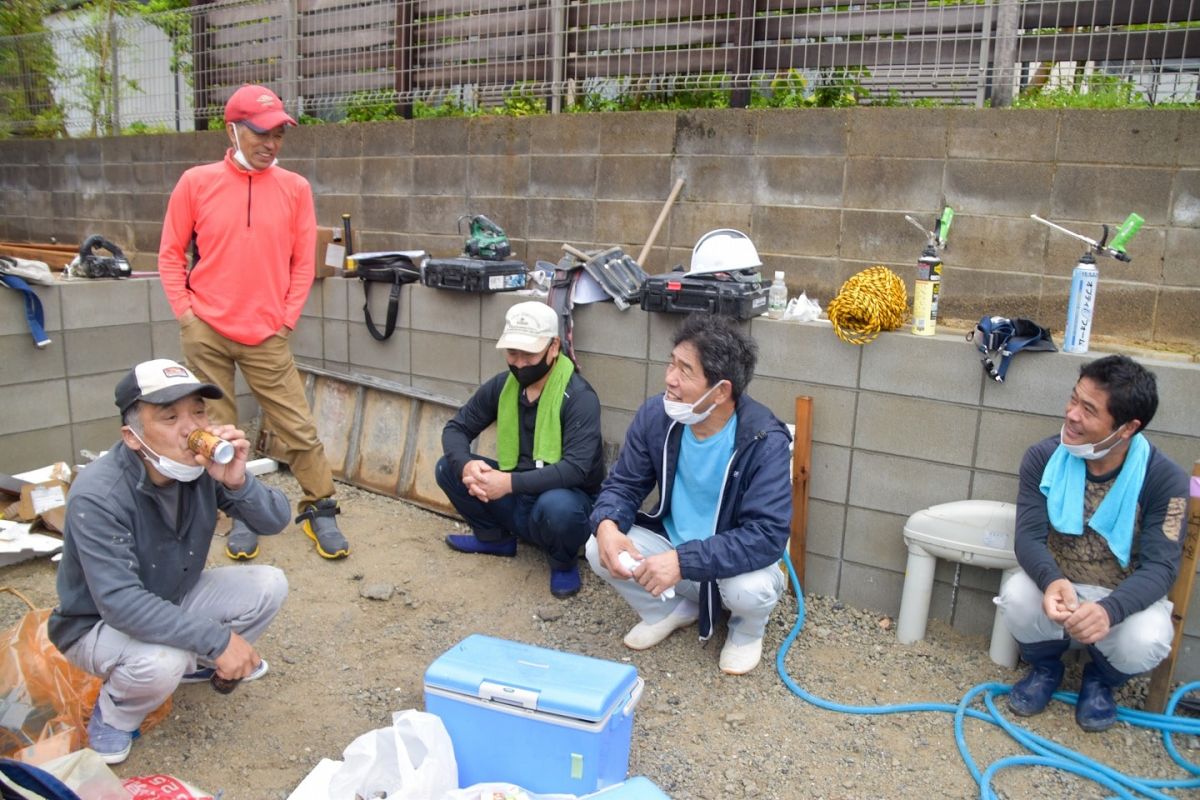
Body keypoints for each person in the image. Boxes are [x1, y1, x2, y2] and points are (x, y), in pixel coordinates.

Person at [48, 359, 290, 764]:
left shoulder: (200, 470)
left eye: (198, 411)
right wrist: (218, 640)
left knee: (270, 584)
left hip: (171, 593)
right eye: (170, 416)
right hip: (95, 623)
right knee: (163, 660)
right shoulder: (99, 494)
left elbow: (275, 520)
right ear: (132, 436)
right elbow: (122, 604)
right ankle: (115, 715)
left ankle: (193, 666)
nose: (191, 428)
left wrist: (237, 480)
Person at [157, 83, 349, 561]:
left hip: (267, 332)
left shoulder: (294, 188)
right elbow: (169, 254)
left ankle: (319, 506)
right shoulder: (195, 182)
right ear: (232, 129)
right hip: (206, 328)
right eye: (260, 132)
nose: (271, 143)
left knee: (297, 426)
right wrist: (185, 313)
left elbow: (304, 262)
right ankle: (240, 514)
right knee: (217, 431)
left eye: (279, 134)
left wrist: (285, 320)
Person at [586, 311, 792, 675]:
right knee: (597, 546)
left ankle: (745, 633)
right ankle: (670, 610)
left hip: (727, 565)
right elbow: (623, 484)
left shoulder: (764, 441)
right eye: (671, 363)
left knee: (751, 589)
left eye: (685, 371)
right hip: (674, 550)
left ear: (722, 390)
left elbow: (766, 536)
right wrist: (605, 524)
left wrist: (682, 562)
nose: (669, 379)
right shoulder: (657, 416)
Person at [996, 354, 1189, 732]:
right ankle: (1046, 667)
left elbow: (1161, 566)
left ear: (1127, 429)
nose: (1071, 415)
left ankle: (1100, 679)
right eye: (1073, 399)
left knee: (1148, 640)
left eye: (1088, 409)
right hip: (1060, 586)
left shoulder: (1165, 479)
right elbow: (1028, 537)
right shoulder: (1043, 457)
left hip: (1124, 596)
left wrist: (1110, 610)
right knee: (1017, 596)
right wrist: (1051, 581)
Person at [436, 301, 605, 599]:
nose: (519, 363)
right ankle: (495, 539)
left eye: (529, 353)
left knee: (558, 507)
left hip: (567, 499)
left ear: (553, 348)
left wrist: (507, 483)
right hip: (517, 495)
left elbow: (575, 469)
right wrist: (466, 465)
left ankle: (563, 563)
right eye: (512, 353)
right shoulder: (504, 385)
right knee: (447, 467)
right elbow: (456, 429)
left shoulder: (579, 397)